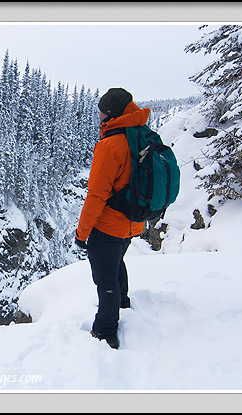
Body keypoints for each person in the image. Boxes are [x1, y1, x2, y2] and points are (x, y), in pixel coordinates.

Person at [74, 87, 149, 349]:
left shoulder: (110, 145)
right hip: (133, 221)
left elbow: (96, 195)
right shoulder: (142, 135)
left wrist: (82, 233)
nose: (98, 115)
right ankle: (122, 303)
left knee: (105, 279)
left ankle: (106, 332)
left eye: (101, 111)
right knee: (117, 263)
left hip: (108, 226)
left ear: (111, 114)